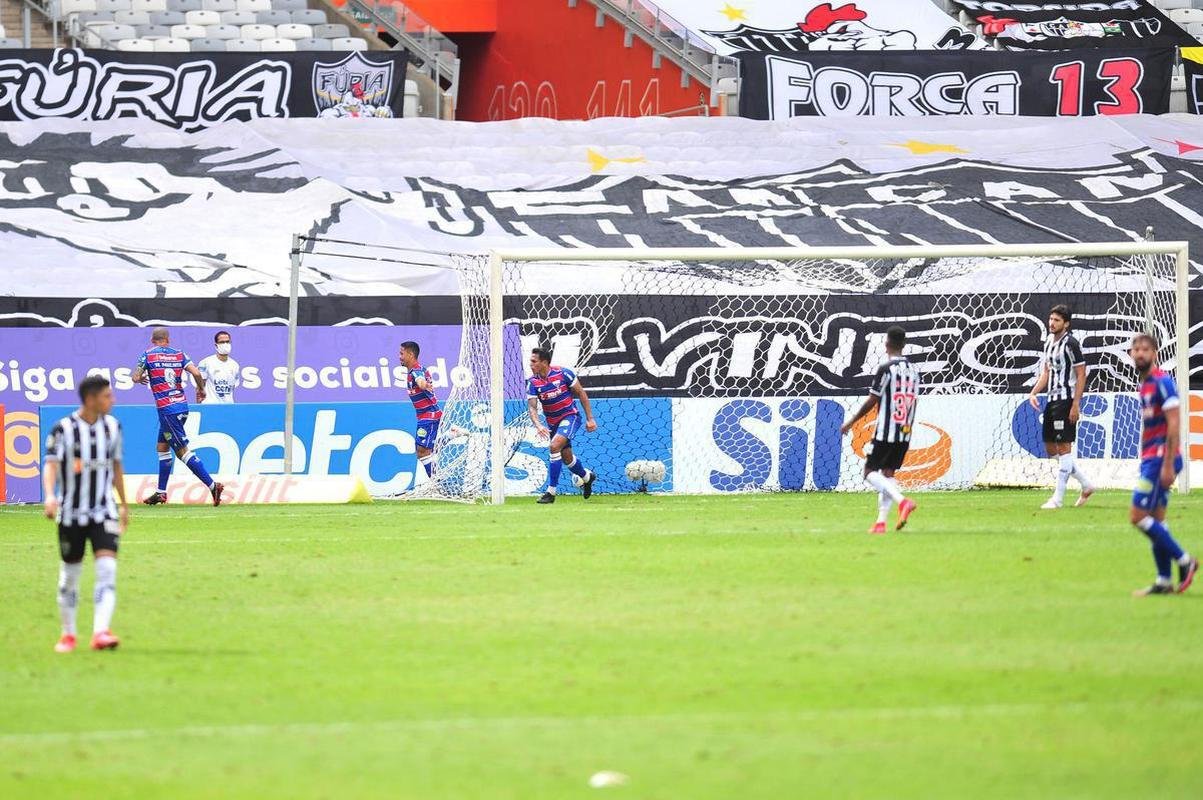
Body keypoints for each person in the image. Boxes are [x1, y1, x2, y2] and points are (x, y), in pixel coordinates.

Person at [42, 375, 129, 652]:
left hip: (104, 512)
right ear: (91, 399)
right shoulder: (63, 429)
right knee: (70, 575)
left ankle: (101, 632)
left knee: (107, 569)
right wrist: (50, 496)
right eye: (107, 396)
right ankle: (68, 634)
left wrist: (124, 504)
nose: (112, 400)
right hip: (71, 514)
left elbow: (116, 467)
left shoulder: (114, 427)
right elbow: (51, 465)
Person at [1127, 334, 1197, 597]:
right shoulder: (1144, 384)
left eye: (1145, 349)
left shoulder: (1162, 382)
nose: (1140, 353)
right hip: (1152, 458)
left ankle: (1184, 560)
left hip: (1161, 459)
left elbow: (1174, 424)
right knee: (1156, 519)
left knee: (1137, 516)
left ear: (1154, 353)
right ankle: (1164, 580)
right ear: (1131, 353)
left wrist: (1167, 464)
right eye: (1136, 349)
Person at [132, 327, 224, 506]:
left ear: (153, 340)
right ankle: (161, 492)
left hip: (167, 410)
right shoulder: (179, 354)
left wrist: (140, 377)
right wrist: (201, 389)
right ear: (168, 339)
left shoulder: (148, 355)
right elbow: (197, 373)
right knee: (162, 447)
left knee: (182, 452)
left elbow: (135, 377)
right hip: (181, 406)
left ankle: (213, 486)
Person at [841, 326, 919, 534]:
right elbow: (914, 402)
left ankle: (903, 502)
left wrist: (850, 422)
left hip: (886, 431)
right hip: (905, 430)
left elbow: (873, 400)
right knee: (888, 474)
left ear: (886, 344)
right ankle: (881, 522)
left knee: (869, 472)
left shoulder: (886, 369)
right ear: (904, 344)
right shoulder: (913, 370)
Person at [1027, 305, 1095, 509]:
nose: (1052, 323)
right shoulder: (1048, 342)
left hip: (1066, 401)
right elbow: (1046, 372)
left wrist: (1076, 403)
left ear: (1066, 324)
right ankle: (1086, 484)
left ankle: (1057, 499)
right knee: (1050, 448)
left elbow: (1082, 374)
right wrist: (1033, 392)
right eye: (1050, 319)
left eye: (1056, 320)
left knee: (1064, 448)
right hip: (1051, 400)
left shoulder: (1071, 344)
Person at [527, 348, 597, 504]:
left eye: (534, 361)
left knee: (554, 447)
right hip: (552, 423)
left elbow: (581, 393)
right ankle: (587, 477)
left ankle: (551, 492)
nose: (530, 364)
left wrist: (590, 419)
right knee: (567, 459)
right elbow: (532, 407)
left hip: (570, 417)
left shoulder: (563, 373)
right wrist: (538, 425)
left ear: (544, 362)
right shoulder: (532, 382)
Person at [399, 341, 442, 478]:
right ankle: (451, 434)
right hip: (429, 415)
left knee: (422, 451)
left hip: (428, 416)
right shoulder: (419, 369)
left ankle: (437, 485)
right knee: (430, 449)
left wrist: (423, 384)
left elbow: (420, 381)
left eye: (402, 353)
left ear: (410, 354)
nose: (399, 357)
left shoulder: (416, 371)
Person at [196, 330, 240, 404]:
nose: (225, 344)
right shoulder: (206, 363)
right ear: (216, 345)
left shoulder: (235, 365)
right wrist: (200, 406)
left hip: (229, 406)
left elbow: (232, 387)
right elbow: (199, 387)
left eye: (227, 342)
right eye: (222, 342)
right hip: (210, 405)